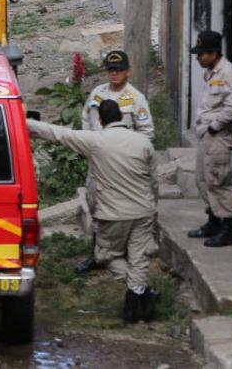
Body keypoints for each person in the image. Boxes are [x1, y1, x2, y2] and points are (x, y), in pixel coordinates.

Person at [29, 100, 160, 323]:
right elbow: (154, 181)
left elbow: (59, 134)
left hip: (112, 214)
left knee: (104, 255)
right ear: (122, 117)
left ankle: (135, 297)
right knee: (139, 258)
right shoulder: (143, 142)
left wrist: (24, 122)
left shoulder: (96, 141)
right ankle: (138, 297)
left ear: (100, 120)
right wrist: (152, 205)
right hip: (142, 212)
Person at [74, 50, 155, 273]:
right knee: (95, 207)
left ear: (128, 71)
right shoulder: (97, 94)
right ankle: (97, 254)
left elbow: (147, 133)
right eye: (110, 69)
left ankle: (124, 254)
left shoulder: (136, 98)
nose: (114, 74)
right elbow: (86, 121)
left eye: (118, 70)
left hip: (123, 169)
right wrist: (88, 146)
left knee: (121, 210)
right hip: (97, 165)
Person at [188, 30, 232, 247]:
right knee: (203, 179)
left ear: (213, 53)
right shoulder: (211, 72)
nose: (198, 58)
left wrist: (212, 127)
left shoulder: (227, 73)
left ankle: (227, 229)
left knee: (219, 180)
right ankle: (213, 221)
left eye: (202, 54)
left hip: (218, 136)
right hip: (206, 136)